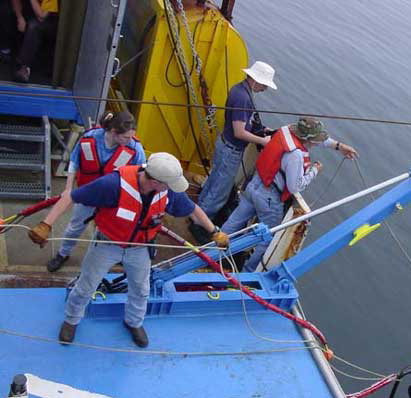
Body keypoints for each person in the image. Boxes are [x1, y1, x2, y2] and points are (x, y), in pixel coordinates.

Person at [28, 152, 229, 347]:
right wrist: (46, 224)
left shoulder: (167, 192)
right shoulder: (112, 185)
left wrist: (214, 231)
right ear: (155, 182)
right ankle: (71, 320)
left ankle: (134, 322)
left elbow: (192, 209)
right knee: (86, 287)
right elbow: (71, 196)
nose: (172, 189)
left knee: (141, 290)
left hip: (139, 248)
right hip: (106, 244)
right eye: (168, 185)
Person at [222, 117, 358, 272]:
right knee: (268, 238)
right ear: (308, 139)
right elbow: (295, 187)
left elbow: (318, 140)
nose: (317, 143)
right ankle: (248, 273)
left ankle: (213, 251)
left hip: (255, 183)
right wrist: (314, 171)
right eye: (315, 140)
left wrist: (339, 146)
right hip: (269, 197)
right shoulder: (295, 155)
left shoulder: (286, 130)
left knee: (235, 221)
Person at [47, 111, 146, 273]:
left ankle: (112, 257)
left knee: (109, 231)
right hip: (88, 193)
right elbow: (74, 160)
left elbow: (142, 172)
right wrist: (68, 188)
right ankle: (62, 254)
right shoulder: (90, 138)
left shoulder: (135, 149)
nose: (130, 141)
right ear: (114, 132)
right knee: (75, 226)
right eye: (126, 137)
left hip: (114, 198)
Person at [193, 61, 277, 234]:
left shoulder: (240, 90)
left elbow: (243, 124)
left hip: (224, 144)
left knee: (213, 183)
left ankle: (196, 213)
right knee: (219, 192)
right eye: (265, 85)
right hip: (231, 149)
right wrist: (263, 141)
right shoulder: (243, 98)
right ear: (257, 80)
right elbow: (239, 132)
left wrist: (261, 130)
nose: (265, 89)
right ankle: (200, 225)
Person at [12, 0, 58, 82]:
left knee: (34, 27)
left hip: (47, 22)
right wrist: (20, 18)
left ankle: (24, 68)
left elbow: (42, 17)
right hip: (28, 14)